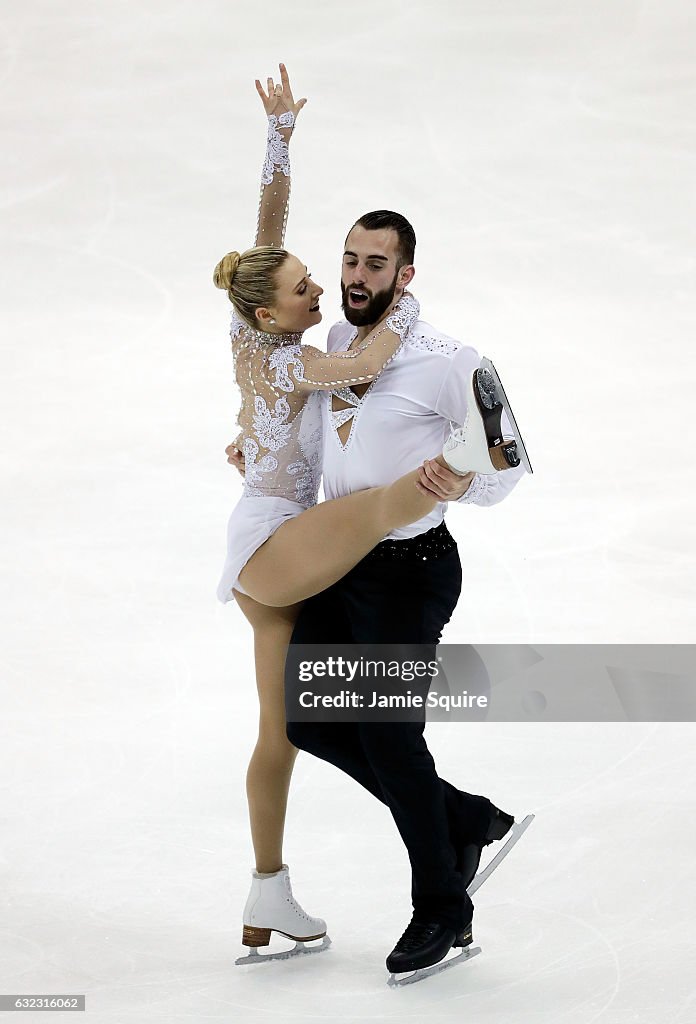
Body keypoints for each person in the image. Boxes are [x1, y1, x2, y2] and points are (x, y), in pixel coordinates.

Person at [216, 66, 527, 966]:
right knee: (311, 721)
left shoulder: (445, 358)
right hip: (335, 560)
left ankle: (445, 906)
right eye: (344, 261)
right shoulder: (331, 345)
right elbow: (306, 401)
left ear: (406, 271)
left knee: (391, 737)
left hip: (410, 569)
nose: (350, 278)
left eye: (372, 265)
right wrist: (252, 438)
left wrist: (466, 482)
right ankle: (459, 820)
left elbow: (508, 460)